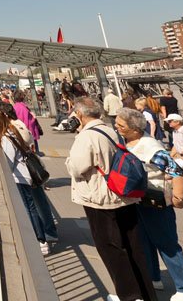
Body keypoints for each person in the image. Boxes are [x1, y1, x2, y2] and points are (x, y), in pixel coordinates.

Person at [65, 96, 154, 301]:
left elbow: (77, 167)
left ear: (79, 115)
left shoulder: (87, 136)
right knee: (133, 247)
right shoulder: (110, 130)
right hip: (123, 195)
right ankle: (144, 293)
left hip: (101, 198)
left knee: (111, 249)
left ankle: (129, 296)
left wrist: (70, 160)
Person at [115, 108, 183, 301]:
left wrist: (179, 197)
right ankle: (152, 277)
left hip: (156, 201)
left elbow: (175, 170)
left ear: (135, 129)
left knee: (166, 243)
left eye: (121, 125)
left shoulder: (151, 148)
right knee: (143, 241)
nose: (117, 127)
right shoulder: (128, 141)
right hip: (138, 199)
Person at [0, 108, 55, 254]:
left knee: (29, 208)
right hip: (27, 174)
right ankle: (44, 236)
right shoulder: (13, 130)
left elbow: (9, 161)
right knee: (32, 206)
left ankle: (40, 240)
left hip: (21, 177)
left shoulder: (6, 137)